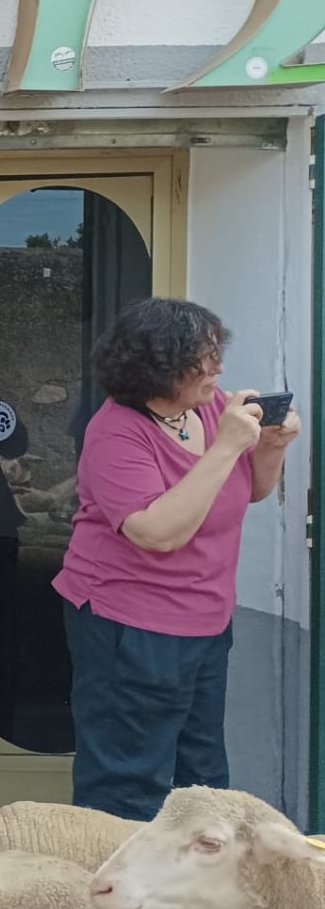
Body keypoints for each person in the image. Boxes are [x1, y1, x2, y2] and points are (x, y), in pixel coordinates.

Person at [53, 298, 301, 820]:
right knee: (128, 776)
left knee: (203, 772)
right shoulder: (116, 432)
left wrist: (271, 447)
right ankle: (117, 896)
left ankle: (193, 898)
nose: (220, 369)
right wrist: (228, 447)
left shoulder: (212, 411)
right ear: (162, 367)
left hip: (206, 620)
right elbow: (159, 532)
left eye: (217, 355)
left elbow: (245, 492)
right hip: (129, 625)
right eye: (205, 359)